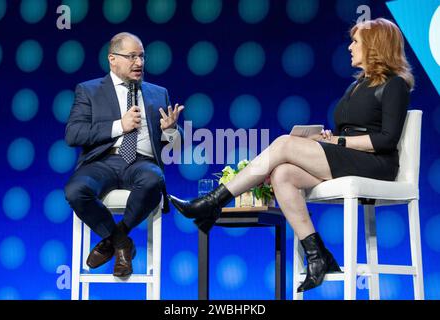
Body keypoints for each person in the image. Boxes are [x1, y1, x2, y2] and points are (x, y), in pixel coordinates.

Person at [169, 18, 414, 292]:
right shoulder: (356, 86)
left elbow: (387, 139)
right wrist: (325, 138)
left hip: (376, 164)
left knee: (285, 144)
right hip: (348, 157)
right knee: (282, 174)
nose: (350, 48)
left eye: (356, 42)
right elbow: (343, 130)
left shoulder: (395, 85)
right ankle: (318, 256)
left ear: (374, 45)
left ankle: (214, 201)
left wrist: (339, 141)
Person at [65, 32, 184, 277]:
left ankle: (114, 239)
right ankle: (123, 244)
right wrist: (120, 125)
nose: (139, 63)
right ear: (112, 59)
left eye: (142, 56)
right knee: (75, 191)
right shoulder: (89, 91)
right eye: (131, 57)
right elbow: (73, 134)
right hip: (102, 162)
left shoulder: (157, 93)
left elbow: (176, 146)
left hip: (141, 162)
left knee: (153, 180)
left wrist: (171, 130)